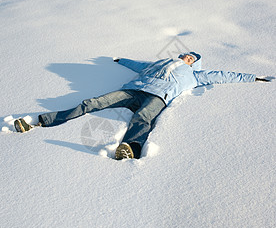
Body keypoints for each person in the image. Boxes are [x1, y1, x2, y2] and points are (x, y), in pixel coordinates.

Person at [14, 52, 272, 160]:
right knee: (91, 103)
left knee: (142, 120)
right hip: (132, 90)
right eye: (186, 54)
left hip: (156, 98)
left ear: (194, 63)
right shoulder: (158, 62)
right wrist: (120, 59)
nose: (187, 57)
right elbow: (137, 65)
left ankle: (130, 149)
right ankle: (40, 121)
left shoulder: (194, 76)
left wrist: (254, 77)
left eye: (192, 58)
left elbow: (224, 75)